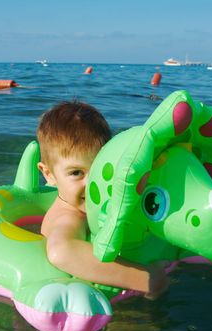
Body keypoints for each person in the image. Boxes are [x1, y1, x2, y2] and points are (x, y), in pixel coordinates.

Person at [37, 100, 169, 299]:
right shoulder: (69, 218)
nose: (92, 184)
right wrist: (147, 279)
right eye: (76, 173)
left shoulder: (85, 208)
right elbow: (60, 252)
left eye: (99, 168)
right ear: (49, 175)